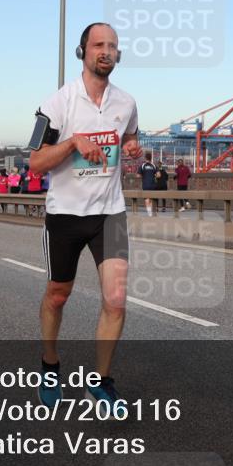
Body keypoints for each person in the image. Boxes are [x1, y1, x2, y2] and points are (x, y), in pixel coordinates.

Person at [28, 21, 142, 417]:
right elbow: (36, 162)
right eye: (98, 45)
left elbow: (131, 136)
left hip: (109, 214)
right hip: (65, 215)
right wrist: (73, 142)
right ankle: (49, 364)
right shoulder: (57, 103)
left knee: (115, 299)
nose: (105, 52)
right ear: (83, 51)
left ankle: (101, 383)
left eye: (112, 46)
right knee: (59, 294)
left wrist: (132, 148)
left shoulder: (126, 103)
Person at [138, 152, 158, 216]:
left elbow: (138, 176)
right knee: (151, 199)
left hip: (145, 184)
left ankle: (149, 213)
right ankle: (151, 213)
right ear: (151, 158)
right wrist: (153, 175)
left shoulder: (142, 165)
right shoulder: (154, 165)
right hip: (153, 185)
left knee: (147, 199)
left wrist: (143, 175)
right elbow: (159, 175)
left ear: (145, 158)